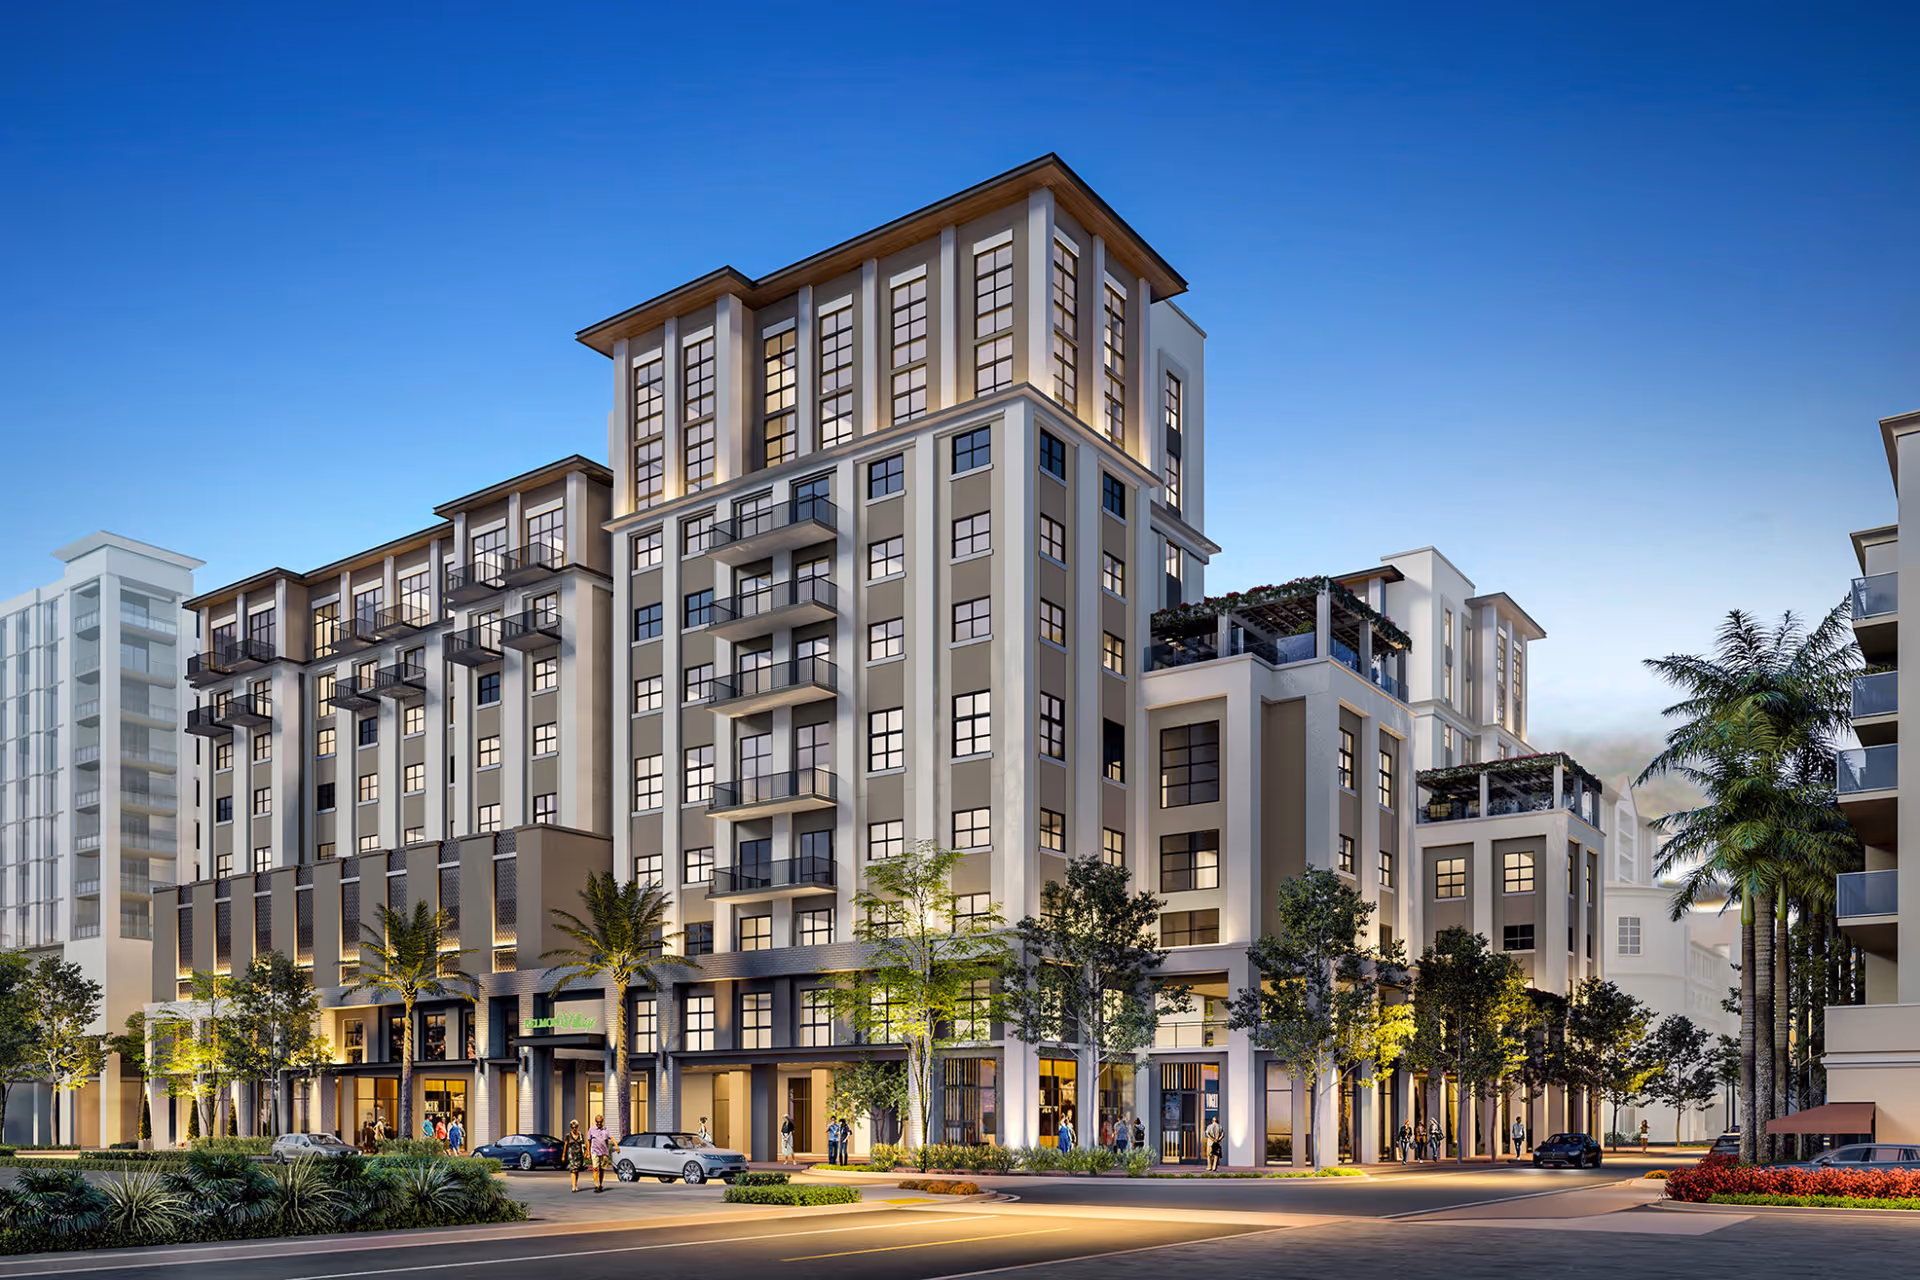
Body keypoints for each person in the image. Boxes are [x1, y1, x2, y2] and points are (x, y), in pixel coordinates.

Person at [586, 1113, 614, 1192]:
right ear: (595, 1122)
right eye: (597, 1122)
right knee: (595, 1168)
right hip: (594, 1151)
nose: (599, 1123)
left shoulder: (605, 1129)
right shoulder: (591, 1129)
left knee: (601, 1170)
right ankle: (596, 1185)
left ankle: (600, 1184)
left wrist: (616, 1146)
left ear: (602, 1121)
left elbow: (611, 1138)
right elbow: (588, 1141)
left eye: (600, 1122)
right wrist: (588, 1152)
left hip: (604, 1152)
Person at [562, 1120, 587, 1193]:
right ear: (571, 1128)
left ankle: (576, 1184)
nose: (574, 1129)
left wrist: (585, 1153)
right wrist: (563, 1155)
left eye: (575, 1127)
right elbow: (565, 1145)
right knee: (573, 1170)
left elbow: (583, 1144)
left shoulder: (580, 1135)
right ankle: (573, 1186)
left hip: (579, 1155)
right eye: (573, 1127)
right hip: (571, 1155)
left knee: (577, 1170)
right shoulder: (568, 1135)